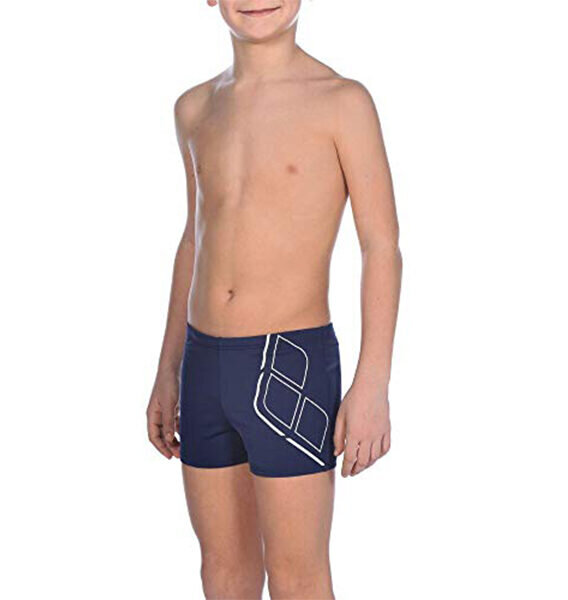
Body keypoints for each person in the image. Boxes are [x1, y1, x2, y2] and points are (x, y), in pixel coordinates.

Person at [146, 1, 402, 597]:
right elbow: (195, 239)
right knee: (223, 570)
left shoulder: (341, 102)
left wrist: (373, 382)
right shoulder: (195, 108)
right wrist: (167, 368)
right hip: (203, 364)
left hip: (291, 359)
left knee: (298, 577)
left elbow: (381, 246)